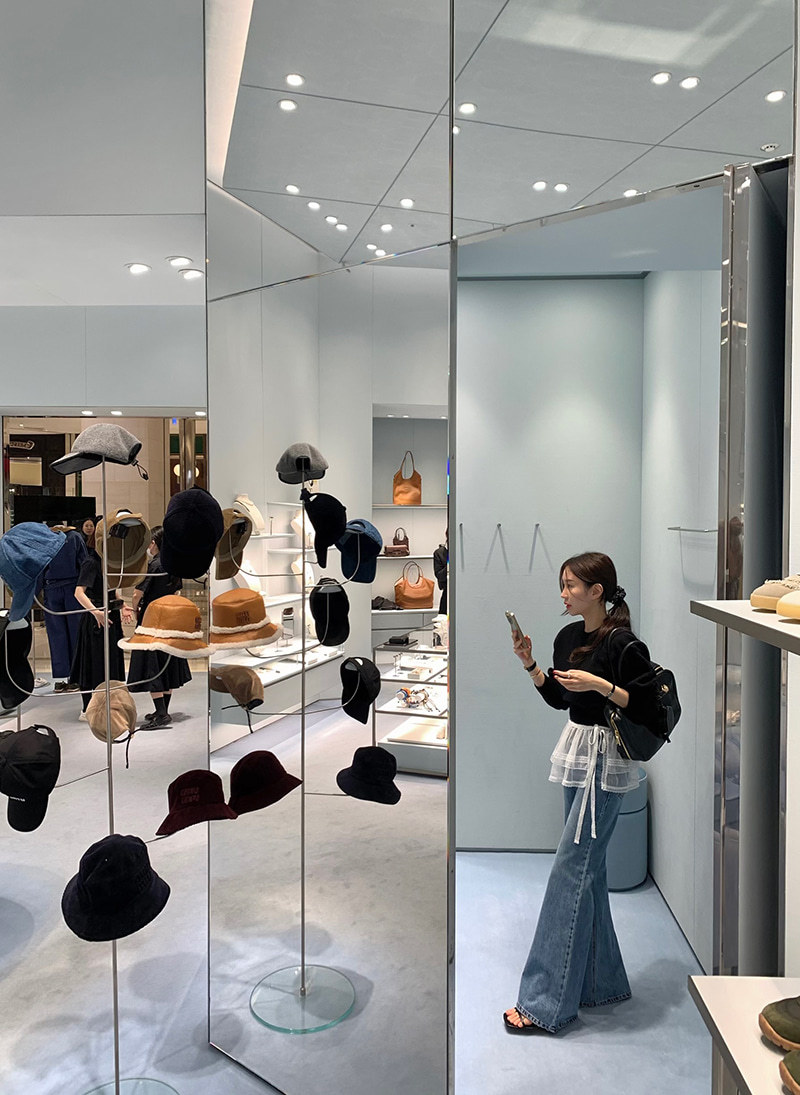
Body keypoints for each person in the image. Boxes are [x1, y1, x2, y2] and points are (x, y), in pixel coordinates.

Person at [504, 551, 656, 1035]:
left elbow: (645, 706)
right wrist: (530, 664)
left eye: (572, 585)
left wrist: (601, 684)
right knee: (587, 871)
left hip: (605, 760)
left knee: (571, 870)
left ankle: (545, 1002)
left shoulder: (623, 642)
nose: (564, 593)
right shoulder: (567, 637)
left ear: (597, 591)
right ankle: (602, 982)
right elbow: (560, 699)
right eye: (563, 584)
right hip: (576, 752)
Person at [126, 525, 189, 729]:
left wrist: (136, 611)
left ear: (154, 543)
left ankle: (161, 713)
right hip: (170, 618)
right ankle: (163, 710)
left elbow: (137, 594)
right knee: (167, 662)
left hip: (151, 620)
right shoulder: (174, 564)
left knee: (151, 664)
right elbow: (177, 592)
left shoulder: (153, 565)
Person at [69, 539, 133, 717]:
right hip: (96, 620)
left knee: (111, 662)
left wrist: (122, 605)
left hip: (110, 617)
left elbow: (112, 589)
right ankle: (87, 709)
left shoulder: (110, 562)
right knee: (93, 662)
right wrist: (95, 612)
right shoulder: (91, 562)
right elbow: (78, 593)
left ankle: (108, 705)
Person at [41, 523, 87, 691]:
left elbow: (40, 564)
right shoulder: (75, 537)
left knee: (57, 634)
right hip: (71, 587)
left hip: (53, 588)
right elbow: (84, 562)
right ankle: (75, 677)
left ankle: (65, 676)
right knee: (75, 632)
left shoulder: (46, 538)